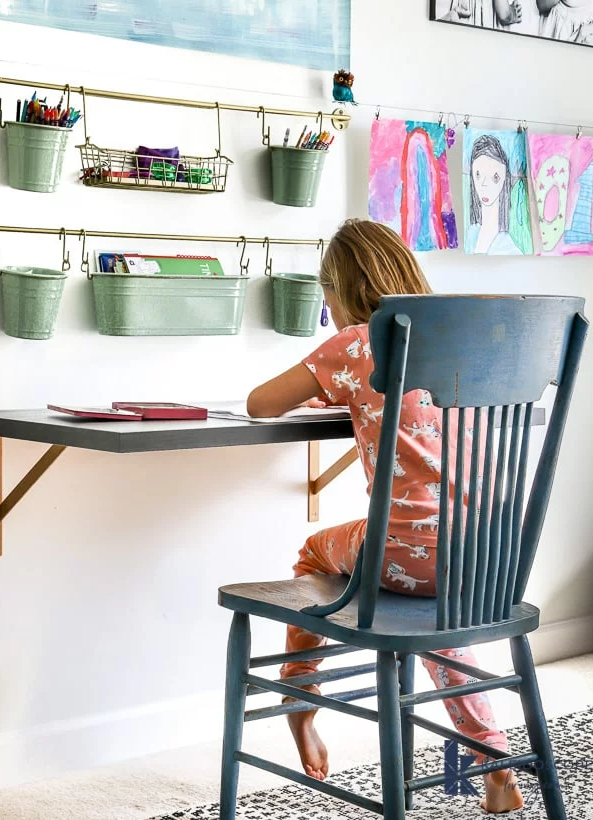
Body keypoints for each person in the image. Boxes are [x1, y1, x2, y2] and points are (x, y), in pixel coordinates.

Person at [246, 219, 524, 814]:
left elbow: (260, 403)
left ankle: (302, 697)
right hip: (489, 559)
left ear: (338, 287)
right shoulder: (455, 343)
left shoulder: (354, 342)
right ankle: (494, 759)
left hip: (410, 559)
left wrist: (334, 382)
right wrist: (342, 391)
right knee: (430, 618)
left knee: (317, 552)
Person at [468, 134, 522, 255]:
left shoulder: (509, 246)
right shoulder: (471, 233)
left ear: (504, 178)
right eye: (477, 175)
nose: (484, 184)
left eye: (495, 177)